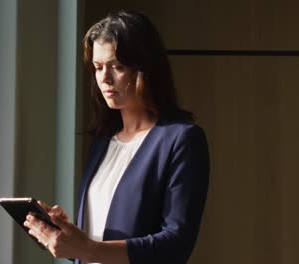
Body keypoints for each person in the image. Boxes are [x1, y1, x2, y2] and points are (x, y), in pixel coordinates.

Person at [24, 10, 209, 264]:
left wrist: (88, 248)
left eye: (117, 67)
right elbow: (96, 243)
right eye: (98, 68)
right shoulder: (103, 143)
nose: (105, 79)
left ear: (144, 68)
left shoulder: (181, 140)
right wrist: (71, 237)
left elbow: (176, 244)